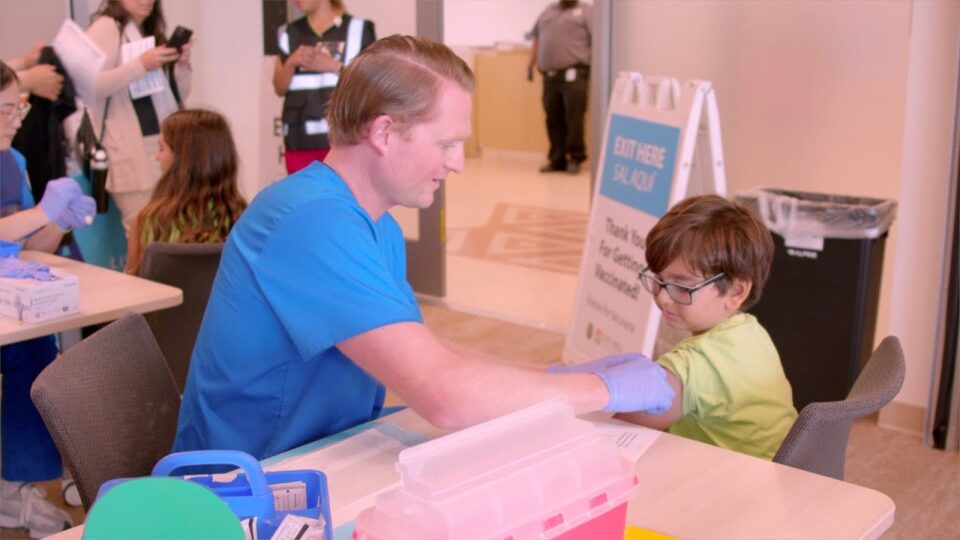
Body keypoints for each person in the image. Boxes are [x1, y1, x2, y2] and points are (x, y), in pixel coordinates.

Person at [173, 35, 673, 461]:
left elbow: (424, 353)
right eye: (447, 144)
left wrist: (553, 375)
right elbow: (443, 395)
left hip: (325, 451)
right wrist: (600, 390)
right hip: (253, 481)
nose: (457, 163)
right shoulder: (311, 221)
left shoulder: (375, 223)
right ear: (385, 132)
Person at [613, 195, 798, 459]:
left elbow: (619, 426)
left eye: (682, 285)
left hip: (734, 487)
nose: (663, 296)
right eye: (659, 279)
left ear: (736, 291)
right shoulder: (750, 331)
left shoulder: (697, 364)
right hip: (780, 477)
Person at [0, 61, 95, 539]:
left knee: (39, 353)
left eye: (18, 106)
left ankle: (19, 486)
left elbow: (31, 246)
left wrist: (62, 221)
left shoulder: (13, 163)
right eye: (5, 110)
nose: (17, 117)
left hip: (12, 305)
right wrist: (41, 211)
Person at [87, 0, 192, 233]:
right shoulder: (107, 27)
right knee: (143, 235)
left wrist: (182, 66)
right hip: (131, 151)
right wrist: (140, 65)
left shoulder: (149, 31)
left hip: (162, 145)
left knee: (170, 232)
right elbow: (91, 86)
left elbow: (175, 97)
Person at [125, 108, 247, 275]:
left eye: (161, 148)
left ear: (181, 161)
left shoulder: (146, 221)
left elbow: (134, 287)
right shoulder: (243, 219)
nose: (157, 156)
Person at [273, 0, 375, 173]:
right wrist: (290, 63)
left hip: (344, 138)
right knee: (303, 196)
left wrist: (335, 67)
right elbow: (279, 88)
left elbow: (371, 84)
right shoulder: (288, 33)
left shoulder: (358, 29)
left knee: (341, 196)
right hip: (299, 139)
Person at [527, 0, 592, 175]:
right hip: (550, 76)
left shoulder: (586, 11)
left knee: (574, 117)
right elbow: (537, 39)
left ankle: (576, 157)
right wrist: (530, 65)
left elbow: (597, 42)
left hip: (575, 73)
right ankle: (557, 159)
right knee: (553, 117)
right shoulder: (548, 11)